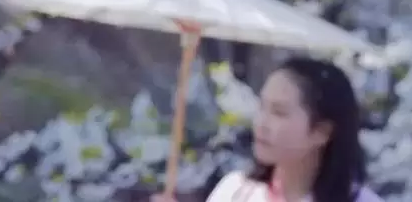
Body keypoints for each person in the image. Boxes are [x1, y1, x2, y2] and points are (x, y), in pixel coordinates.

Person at [152, 56, 383, 202]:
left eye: (279, 112)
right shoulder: (237, 191)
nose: (261, 123)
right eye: (262, 107)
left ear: (321, 132)